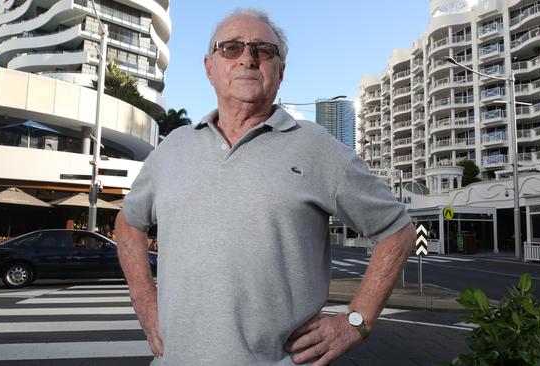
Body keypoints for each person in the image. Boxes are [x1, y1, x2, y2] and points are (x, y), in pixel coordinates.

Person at [116, 8, 416, 365]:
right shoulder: (173, 148)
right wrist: (145, 302)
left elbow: (397, 232)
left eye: (263, 50)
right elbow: (128, 223)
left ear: (281, 71)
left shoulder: (316, 147)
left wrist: (356, 321)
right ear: (209, 67)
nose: (247, 58)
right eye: (230, 48)